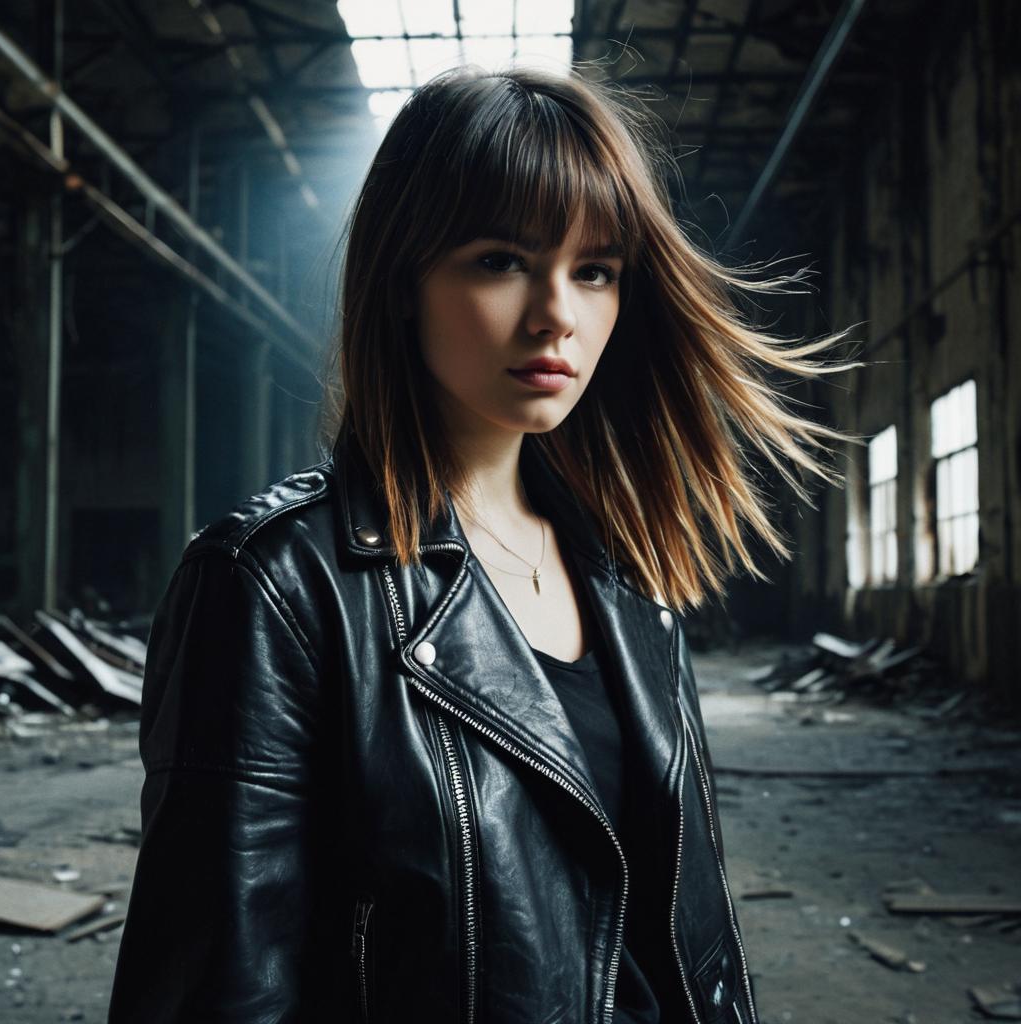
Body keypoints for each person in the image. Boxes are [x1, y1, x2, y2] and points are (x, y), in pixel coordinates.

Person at [108, 62, 860, 1023]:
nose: (559, 315)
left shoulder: (627, 572)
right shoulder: (274, 589)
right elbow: (218, 990)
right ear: (401, 282)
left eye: (595, 271)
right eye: (501, 260)